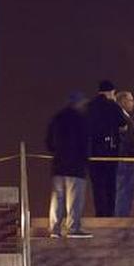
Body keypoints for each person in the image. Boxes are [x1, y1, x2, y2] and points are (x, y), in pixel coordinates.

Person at [45, 92, 92, 238]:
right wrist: (85, 159)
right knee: (74, 198)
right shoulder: (81, 119)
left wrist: (58, 151)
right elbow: (85, 143)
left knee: (57, 197)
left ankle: (54, 229)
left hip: (59, 164)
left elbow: (49, 141)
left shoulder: (57, 118)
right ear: (79, 103)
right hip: (76, 165)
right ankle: (73, 228)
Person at [85, 79, 127, 217]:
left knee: (97, 185)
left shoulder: (89, 106)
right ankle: (109, 215)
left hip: (92, 152)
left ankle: (100, 214)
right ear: (111, 92)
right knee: (110, 185)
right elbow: (123, 124)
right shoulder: (112, 106)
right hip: (110, 150)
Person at [113, 90, 134, 217]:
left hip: (129, 161)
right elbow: (125, 141)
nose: (133, 103)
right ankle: (121, 218)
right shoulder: (121, 118)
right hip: (126, 161)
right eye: (131, 100)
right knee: (124, 191)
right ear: (123, 101)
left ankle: (123, 216)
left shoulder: (125, 117)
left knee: (127, 191)